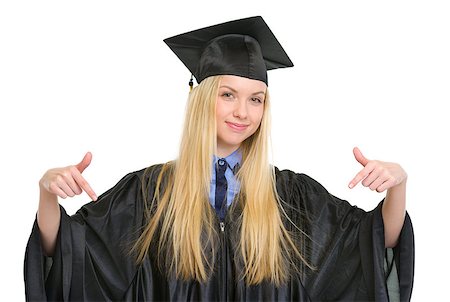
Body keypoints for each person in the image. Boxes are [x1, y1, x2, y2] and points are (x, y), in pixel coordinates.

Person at [24, 16, 414, 301]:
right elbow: (71, 254)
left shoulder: (291, 198)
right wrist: (47, 193)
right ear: (201, 98)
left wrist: (399, 184)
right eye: (228, 94)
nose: (243, 112)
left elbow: (374, 244)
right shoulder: (149, 193)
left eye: (255, 99)